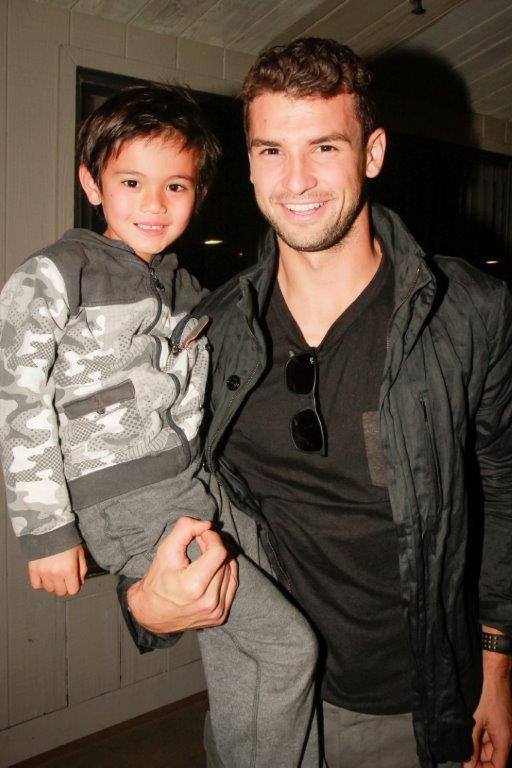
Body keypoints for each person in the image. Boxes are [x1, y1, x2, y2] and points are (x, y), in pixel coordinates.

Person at [121, 39, 512, 768]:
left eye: (324, 146)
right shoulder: (209, 331)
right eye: (271, 151)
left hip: (418, 708)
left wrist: (498, 672)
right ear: (249, 163)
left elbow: (502, 492)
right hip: (263, 702)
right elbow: (147, 481)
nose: (295, 179)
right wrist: (144, 603)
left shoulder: (470, 313)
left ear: (373, 153)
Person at [0, 83, 320, 768]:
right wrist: (46, 531)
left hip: (186, 487)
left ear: (197, 194)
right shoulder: (56, 274)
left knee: (239, 649)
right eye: (132, 182)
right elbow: (17, 400)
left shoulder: (179, 285)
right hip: (124, 498)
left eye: (175, 185)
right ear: (92, 183)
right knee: (289, 649)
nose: (154, 204)